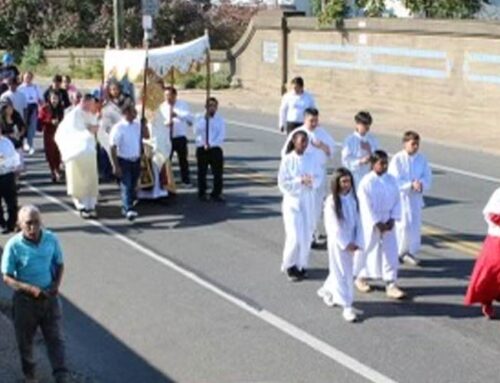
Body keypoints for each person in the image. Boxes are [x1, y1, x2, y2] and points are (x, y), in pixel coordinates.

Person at [1, 205, 69, 383]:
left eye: (36, 222)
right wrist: (29, 289)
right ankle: (30, 376)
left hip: (50, 299)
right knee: (26, 342)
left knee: (56, 339)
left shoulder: (51, 239)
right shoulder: (13, 246)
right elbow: (7, 277)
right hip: (26, 303)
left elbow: (59, 264)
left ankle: (61, 375)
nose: (33, 228)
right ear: (19, 224)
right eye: (28, 223)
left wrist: (56, 285)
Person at [280, 108, 336, 248]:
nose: (314, 123)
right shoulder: (297, 134)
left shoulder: (322, 133)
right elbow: (286, 153)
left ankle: (311, 233)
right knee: (303, 207)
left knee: (316, 206)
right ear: (305, 119)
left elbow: (331, 151)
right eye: (311, 120)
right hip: (302, 177)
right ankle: (301, 234)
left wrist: (321, 145)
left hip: (318, 175)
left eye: (316, 120)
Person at [355, 150, 406, 300]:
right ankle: (361, 276)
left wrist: (392, 219)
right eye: (381, 163)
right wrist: (377, 223)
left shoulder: (392, 180)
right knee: (367, 249)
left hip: (388, 220)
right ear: (373, 164)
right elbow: (365, 205)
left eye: (386, 163)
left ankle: (391, 282)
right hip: (372, 223)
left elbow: (398, 200)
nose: (384, 166)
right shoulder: (366, 182)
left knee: (390, 251)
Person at [317, 168, 363, 322]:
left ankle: (327, 289)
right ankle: (347, 306)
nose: (346, 185)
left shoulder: (353, 199)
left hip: (352, 240)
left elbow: (359, 221)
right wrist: (345, 243)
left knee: (346, 269)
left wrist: (357, 240)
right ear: (337, 183)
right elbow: (333, 226)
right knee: (344, 272)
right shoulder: (332, 201)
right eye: (343, 181)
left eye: (348, 181)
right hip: (339, 242)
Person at [278, 130, 322, 281]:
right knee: (294, 235)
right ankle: (289, 264)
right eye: (301, 141)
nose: (304, 144)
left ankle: (301, 265)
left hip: (307, 200)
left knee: (306, 235)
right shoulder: (287, 160)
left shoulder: (312, 159)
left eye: (306, 141)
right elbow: (282, 183)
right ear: (294, 141)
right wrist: (299, 181)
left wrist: (312, 181)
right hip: (292, 201)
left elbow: (319, 176)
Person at [388, 131, 432, 266]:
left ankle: (409, 252)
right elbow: (394, 179)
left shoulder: (422, 159)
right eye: (413, 143)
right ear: (405, 143)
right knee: (403, 225)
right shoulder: (398, 159)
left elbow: (427, 176)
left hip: (415, 198)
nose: (415, 146)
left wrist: (421, 184)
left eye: (417, 144)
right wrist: (409, 185)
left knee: (414, 225)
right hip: (402, 198)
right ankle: (397, 252)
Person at [55, 94, 100, 219]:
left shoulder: (91, 115)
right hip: (76, 152)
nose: (92, 107)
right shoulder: (73, 115)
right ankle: (81, 206)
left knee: (90, 180)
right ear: (84, 102)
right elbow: (70, 132)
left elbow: (94, 130)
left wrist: (93, 129)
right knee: (78, 180)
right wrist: (88, 130)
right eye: (90, 104)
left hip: (89, 152)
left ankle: (91, 205)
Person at [465, 188, 500, 319]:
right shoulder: (499, 193)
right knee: (491, 273)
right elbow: (491, 214)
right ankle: (487, 300)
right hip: (497, 240)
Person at [110, 105, 146, 221]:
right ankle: (128, 209)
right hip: (124, 160)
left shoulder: (137, 125)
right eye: (132, 112)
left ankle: (128, 203)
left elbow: (146, 135)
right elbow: (113, 147)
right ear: (125, 113)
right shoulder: (118, 128)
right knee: (127, 185)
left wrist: (144, 124)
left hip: (136, 159)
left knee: (133, 184)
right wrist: (116, 166)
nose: (135, 114)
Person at [157, 86, 193, 186]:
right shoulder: (162, 106)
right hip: (167, 136)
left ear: (174, 95)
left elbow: (190, 118)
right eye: (166, 95)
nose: (168, 98)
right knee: (167, 160)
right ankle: (166, 181)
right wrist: (166, 123)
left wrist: (177, 115)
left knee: (183, 160)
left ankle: (185, 180)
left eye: (170, 95)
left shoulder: (182, 105)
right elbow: (159, 122)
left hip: (180, 136)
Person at [194, 97, 226, 202]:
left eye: (214, 106)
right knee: (202, 172)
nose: (212, 108)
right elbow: (196, 131)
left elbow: (221, 135)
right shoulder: (199, 117)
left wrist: (211, 144)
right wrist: (205, 120)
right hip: (202, 148)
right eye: (210, 106)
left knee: (217, 172)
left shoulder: (220, 120)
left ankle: (217, 193)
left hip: (215, 148)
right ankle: (202, 192)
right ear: (206, 107)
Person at [342, 111, 378, 188]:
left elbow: (378, 157)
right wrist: (360, 161)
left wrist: (369, 151)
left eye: (368, 125)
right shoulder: (350, 140)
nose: (367, 127)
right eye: (364, 124)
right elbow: (345, 161)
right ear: (357, 124)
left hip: (369, 176)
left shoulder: (373, 140)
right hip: (355, 176)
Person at [39, 92, 65, 183]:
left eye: (56, 99)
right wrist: (50, 121)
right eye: (53, 98)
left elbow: (64, 119)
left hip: (59, 133)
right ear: (49, 99)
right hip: (49, 133)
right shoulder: (45, 108)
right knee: (50, 153)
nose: (54, 101)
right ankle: (53, 171)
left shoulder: (61, 108)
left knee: (58, 153)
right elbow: (41, 120)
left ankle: (57, 170)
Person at [0, 129, 20, 234]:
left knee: (11, 201)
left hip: (7, 174)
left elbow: (14, 156)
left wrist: (16, 167)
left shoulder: (6, 142)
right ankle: (1, 224)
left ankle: (12, 223)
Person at [19, 72, 43, 155]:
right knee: (23, 127)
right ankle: (22, 145)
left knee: (32, 128)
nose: (28, 79)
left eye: (29, 77)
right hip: (24, 109)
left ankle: (30, 144)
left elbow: (41, 99)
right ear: (23, 78)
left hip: (33, 108)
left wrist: (41, 106)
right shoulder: (20, 88)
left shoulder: (36, 87)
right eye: (26, 77)